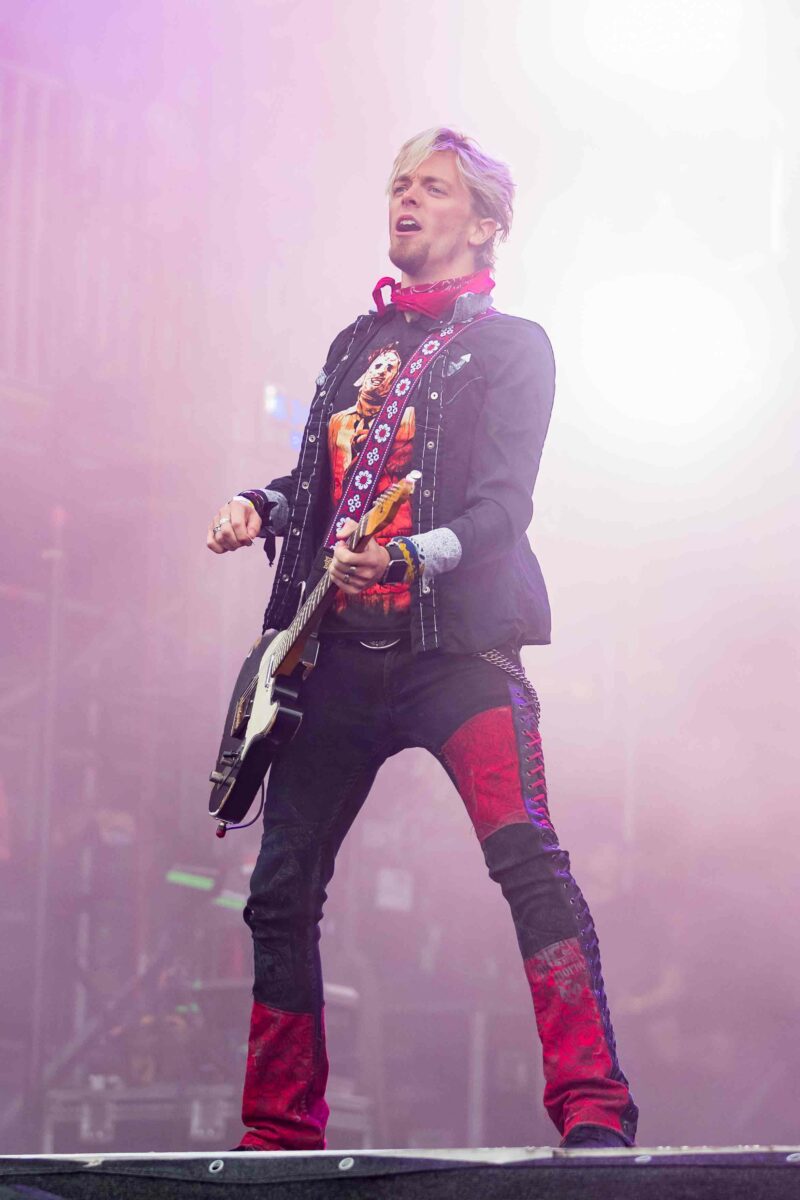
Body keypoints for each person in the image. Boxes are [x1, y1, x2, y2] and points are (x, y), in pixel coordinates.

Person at [207, 127, 638, 1150]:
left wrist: (406, 558)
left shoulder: (513, 347)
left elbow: (503, 509)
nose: (405, 199)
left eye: (433, 188)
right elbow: (318, 487)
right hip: (333, 660)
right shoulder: (353, 345)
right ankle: (277, 1137)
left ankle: (592, 1106)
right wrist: (261, 507)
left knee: (527, 860)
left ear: (483, 225)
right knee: (279, 893)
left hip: (455, 654)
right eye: (399, 184)